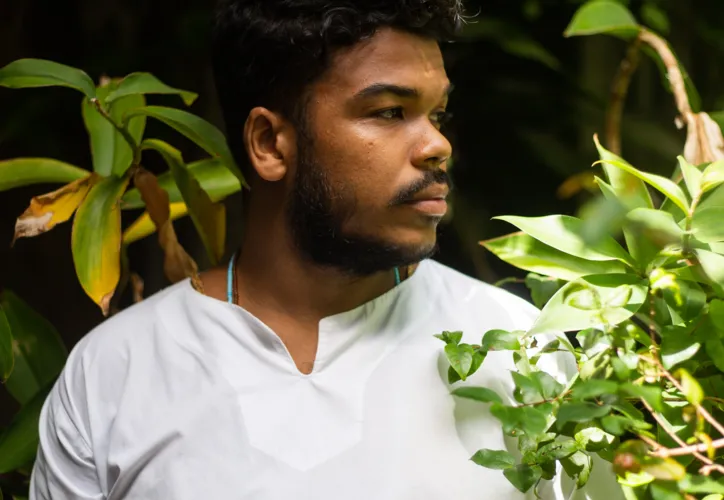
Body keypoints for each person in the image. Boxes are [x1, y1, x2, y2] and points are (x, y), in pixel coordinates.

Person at [30, 1, 624, 498]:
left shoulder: (526, 349)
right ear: (269, 143)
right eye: (389, 112)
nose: (437, 143)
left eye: (437, 112)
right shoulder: (114, 373)